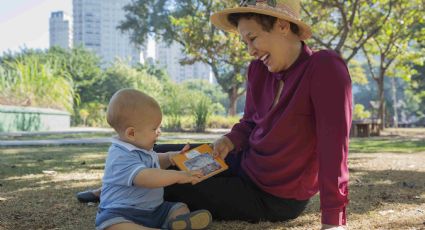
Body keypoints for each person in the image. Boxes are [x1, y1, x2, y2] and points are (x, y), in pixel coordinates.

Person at [79, 0, 352, 229]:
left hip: (271, 195)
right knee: (154, 152)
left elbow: (334, 149)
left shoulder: (324, 68)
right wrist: (230, 140)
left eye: (253, 38)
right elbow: (249, 123)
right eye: (245, 41)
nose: (250, 50)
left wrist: (333, 220)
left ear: (282, 25)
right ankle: (113, 188)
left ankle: (114, 195)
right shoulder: (258, 71)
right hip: (239, 161)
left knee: (168, 186)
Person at [94, 88, 212, 230]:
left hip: (155, 210)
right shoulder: (119, 156)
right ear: (131, 133)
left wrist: (170, 157)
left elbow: (155, 161)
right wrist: (179, 176)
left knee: (179, 207)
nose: (159, 132)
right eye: (154, 129)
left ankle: (178, 223)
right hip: (122, 211)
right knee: (111, 224)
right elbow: (147, 177)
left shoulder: (142, 147)